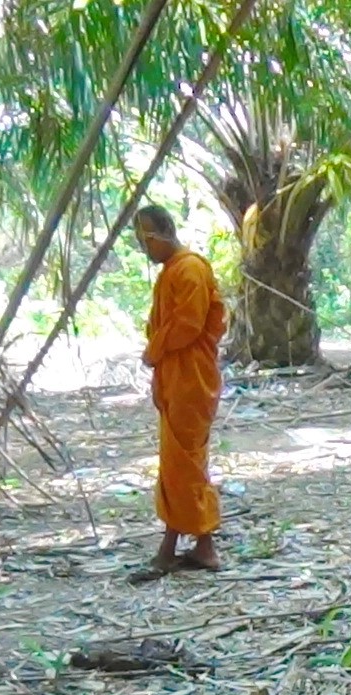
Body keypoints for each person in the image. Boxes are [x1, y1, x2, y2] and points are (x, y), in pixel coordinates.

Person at [130, 205, 227, 579]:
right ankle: (195, 547)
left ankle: (184, 547)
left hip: (191, 379)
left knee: (183, 462)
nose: (144, 247)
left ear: (166, 232)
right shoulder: (172, 271)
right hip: (176, 378)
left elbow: (187, 324)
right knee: (178, 463)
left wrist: (154, 350)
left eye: (148, 239)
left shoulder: (190, 269)